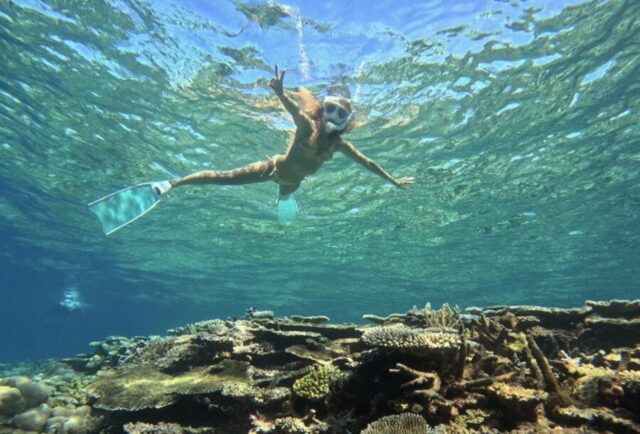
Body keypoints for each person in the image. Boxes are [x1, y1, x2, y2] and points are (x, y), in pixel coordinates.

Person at [168, 66, 415, 205]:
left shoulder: (340, 145)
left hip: (293, 183)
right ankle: (173, 183)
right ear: (323, 108)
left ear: (346, 123)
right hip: (272, 169)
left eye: (340, 114)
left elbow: (368, 163)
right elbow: (294, 111)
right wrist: (280, 93)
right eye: (330, 108)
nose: (332, 116)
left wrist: (392, 180)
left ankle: (283, 200)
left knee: (284, 197)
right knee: (225, 178)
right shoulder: (308, 127)